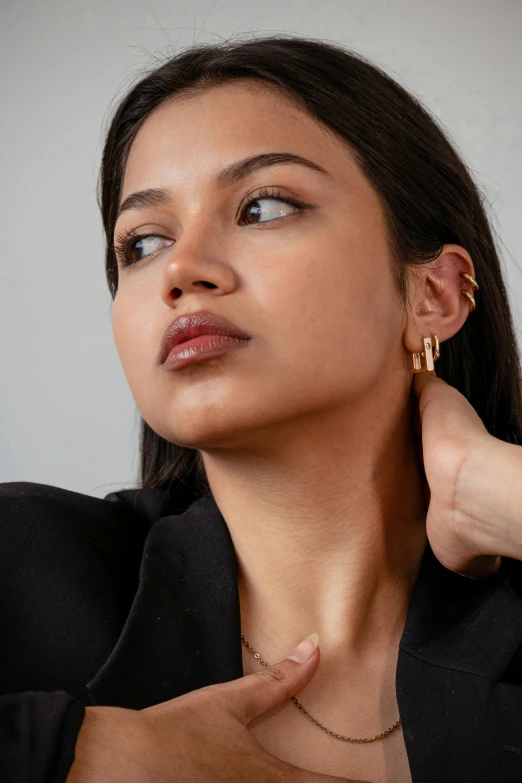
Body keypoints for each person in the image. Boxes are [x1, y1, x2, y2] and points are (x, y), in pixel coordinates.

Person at [2, 34, 522, 783]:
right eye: (141, 243)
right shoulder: (22, 566)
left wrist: (491, 491)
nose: (180, 270)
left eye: (264, 206)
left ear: (433, 295)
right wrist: (87, 754)